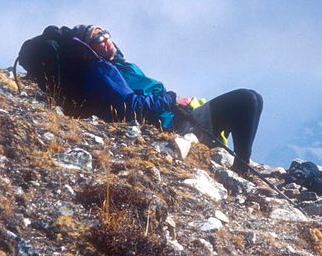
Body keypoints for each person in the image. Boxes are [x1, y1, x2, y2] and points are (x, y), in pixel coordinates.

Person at [71, 24, 263, 176]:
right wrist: (170, 99)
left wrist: (174, 102)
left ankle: (241, 165)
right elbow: (130, 105)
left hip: (180, 117)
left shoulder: (122, 65)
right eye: (98, 38)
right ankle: (241, 168)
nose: (105, 38)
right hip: (174, 126)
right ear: (89, 48)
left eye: (105, 32)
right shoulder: (101, 70)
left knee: (255, 98)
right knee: (246, 100)